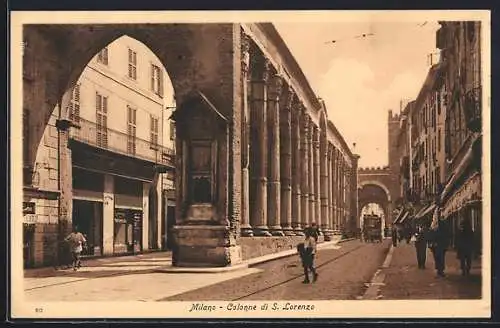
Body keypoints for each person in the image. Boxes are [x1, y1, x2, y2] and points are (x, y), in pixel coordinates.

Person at [428, 210, 449, 277]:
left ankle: (440, 271)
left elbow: (445, 234)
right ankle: (439, 270)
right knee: (438, 257)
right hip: (437, 244)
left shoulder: (440, 224)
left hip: (440, 244)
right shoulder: (434, 225)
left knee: (439, 257)